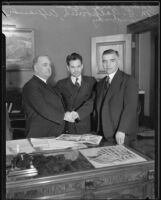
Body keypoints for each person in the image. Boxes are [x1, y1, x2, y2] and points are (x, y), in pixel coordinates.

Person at [94, 49, 139, 146]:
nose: (108, 64)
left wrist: (122, 130)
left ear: (118, 61)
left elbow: (131, 107)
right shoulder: (100, 83)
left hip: (120, 135)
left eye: (112, 60)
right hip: (103, 135)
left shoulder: (128, 80)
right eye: (105, 61)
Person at [22, 55, 66, 138]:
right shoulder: (30, 86)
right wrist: (65, 116)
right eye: (45, 65)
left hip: (53, 135)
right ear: (36, 68)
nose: (49, 68)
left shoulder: (49, 85)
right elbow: (43, 108)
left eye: (50, 65)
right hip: (40, 136)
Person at [55, 52, 96, 134]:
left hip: (87, 125)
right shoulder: (61, 84)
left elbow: (94, 100)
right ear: (68, 68)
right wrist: (65, 114)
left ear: (82, 66)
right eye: (72, 67)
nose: (76, 70)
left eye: (78, 66)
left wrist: (79, 113)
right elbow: (57, 104)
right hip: (69, 125)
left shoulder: (91, 81)